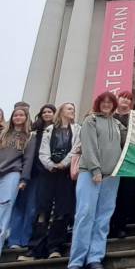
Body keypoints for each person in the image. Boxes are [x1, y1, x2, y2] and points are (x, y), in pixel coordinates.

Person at [68, 92, 126, 269]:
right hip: (90, 174)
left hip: (112, 176)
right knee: (85, 215)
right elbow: (89, 146)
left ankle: (95, 257)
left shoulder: (117, 124)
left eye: (110, 102)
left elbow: (129, 142)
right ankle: (76, 261)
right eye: (103, 102)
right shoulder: (90, 120)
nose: (106, 104)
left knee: (103, 217)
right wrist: (95, 169)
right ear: (98, 104)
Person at [19, 103, 80, 261]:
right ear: (61, 112)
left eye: (73, 110)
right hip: (48, 173)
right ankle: (35, 248)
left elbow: (76, 149)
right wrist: (50, 165)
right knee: (42, 210)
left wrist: (63, 163)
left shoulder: (77, 129)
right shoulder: (49, 130)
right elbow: (43, 151)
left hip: (65, 174)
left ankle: (55, 246)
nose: (72, 112)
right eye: (69, 109)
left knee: (62, 210)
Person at [8, 104, 56, 250]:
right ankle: (13, 240)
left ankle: (25, 238)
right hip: (25, 172)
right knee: (18, 206)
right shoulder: (33, 131)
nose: (47, 114)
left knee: (32, 208)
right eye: (44, 112)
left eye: (50, 112)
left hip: (42, 173)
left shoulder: (56, 130)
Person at [0, 107, 34, 257]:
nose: (18, 117)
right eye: (16, 115)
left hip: (13, 173)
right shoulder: (3, 133)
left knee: (5, 209)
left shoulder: (29, 136)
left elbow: (28, 160)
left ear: (26, 118)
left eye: (21, 115)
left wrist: (24, 179)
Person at [110, 91, 135, 238]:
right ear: (118, 99)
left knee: (126, 193)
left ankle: (121, 225)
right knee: (110, 194)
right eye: (124, 98)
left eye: (129, 99)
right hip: (111, 160)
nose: (126, 101)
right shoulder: (109, 116)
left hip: (128, 160)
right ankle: (110, 226)